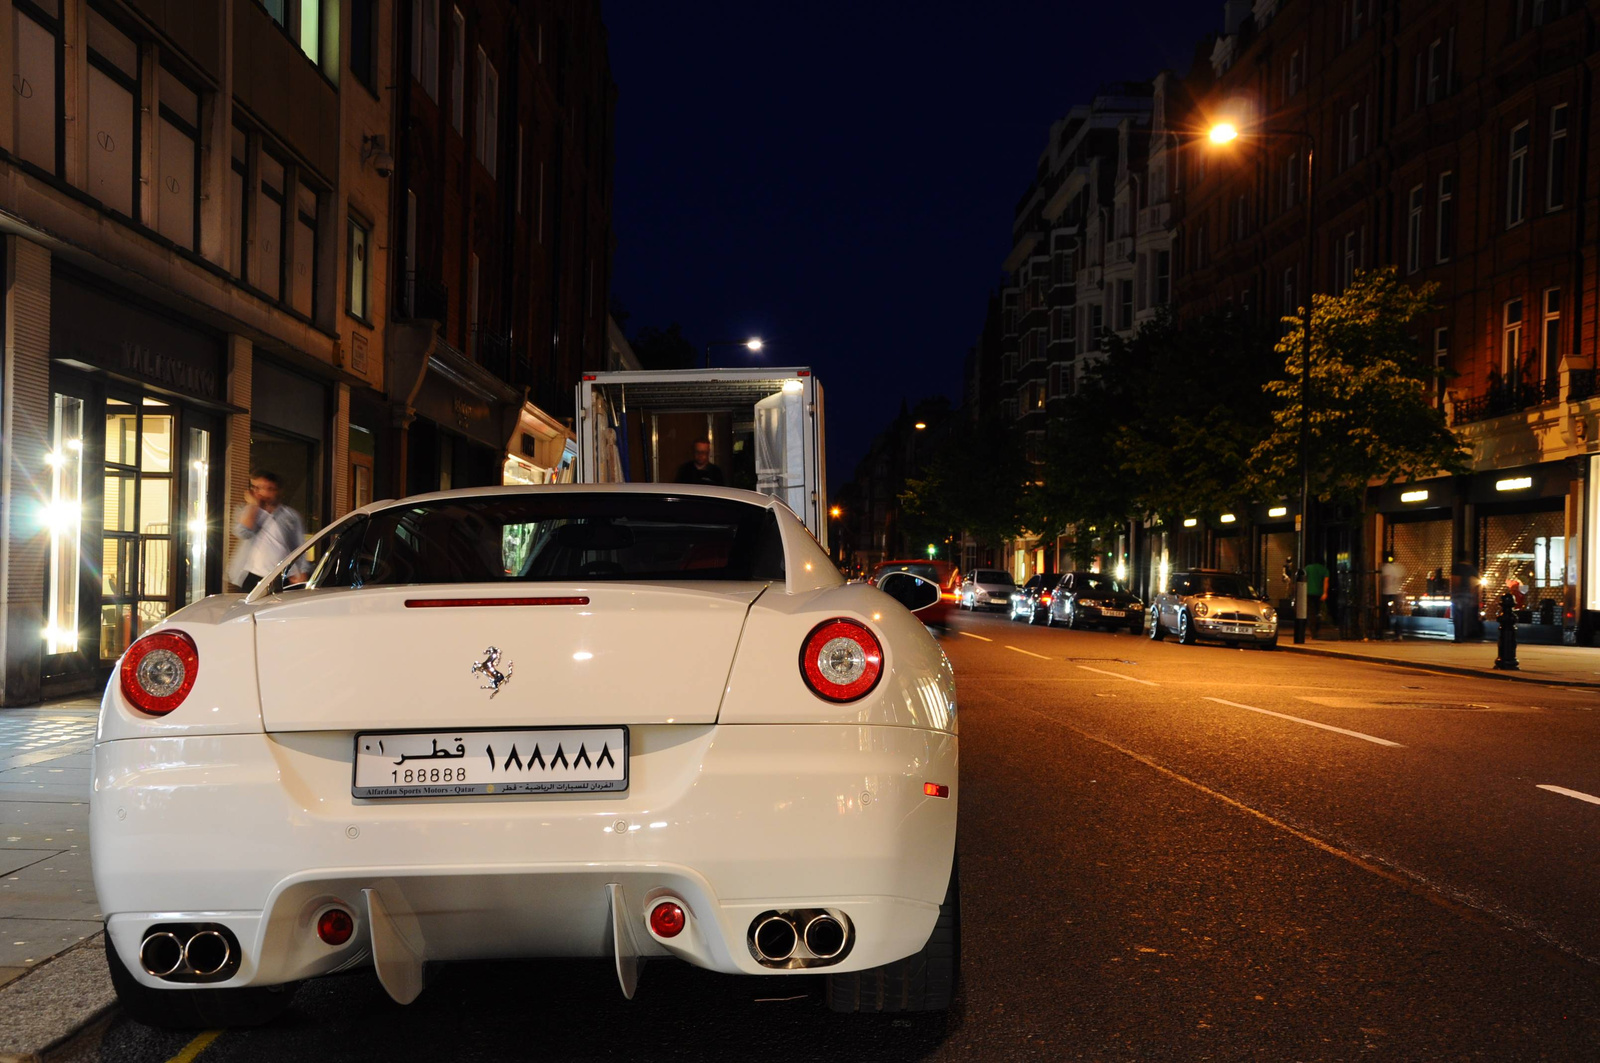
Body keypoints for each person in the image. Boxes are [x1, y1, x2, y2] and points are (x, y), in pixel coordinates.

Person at [228, 471, 309, 592]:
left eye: (269, 488)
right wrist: (253, 505)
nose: (263, 492)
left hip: (282, 577)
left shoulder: (290, 516)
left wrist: (302, 571)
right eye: (257, 488)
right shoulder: (245, 511)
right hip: (251, 576)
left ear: (278, 491)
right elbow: (243, 532)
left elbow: (299, 545)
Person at [1379, 552, 1408, 639]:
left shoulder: (1386, 567)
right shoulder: (1399, 567)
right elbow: (1401, 579)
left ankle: (1384, 631)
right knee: (1398, 612)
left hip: (1387, 592)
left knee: (1385, 611)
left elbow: (1386, 579)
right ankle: (1398, 633)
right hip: (1397, 592)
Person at [1303, 557, 1330, 637]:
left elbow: (1304, 578)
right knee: (1318, 611)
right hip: (1319, 593)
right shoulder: (1324, 569)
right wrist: (1325, 593)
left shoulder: (1308, 568)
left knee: (1311, 612)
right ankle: (1317, 628)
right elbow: (1326, 581)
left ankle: (1312, 630)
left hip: (1308, 592)